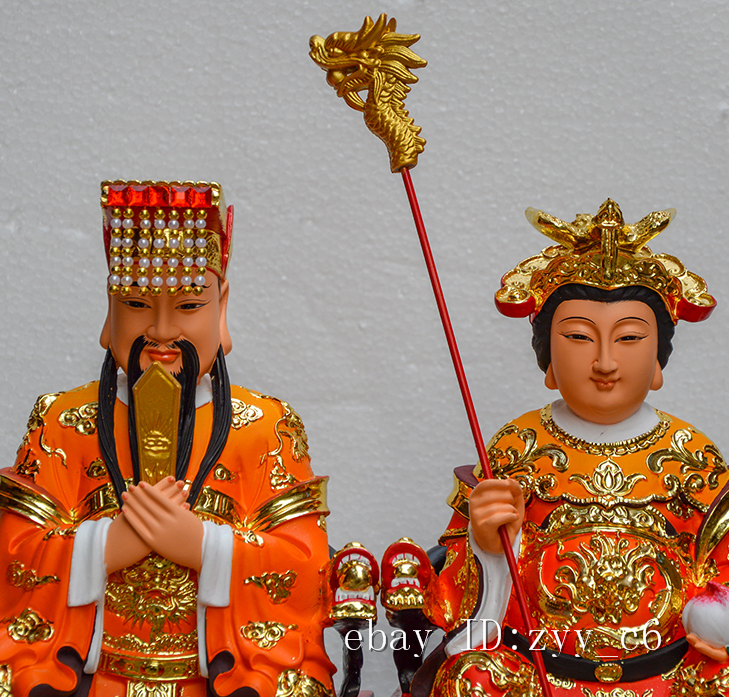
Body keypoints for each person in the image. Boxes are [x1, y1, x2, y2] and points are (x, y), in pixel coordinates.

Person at [0, 181, 349, 697]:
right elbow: (13, 560)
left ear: (221, 307)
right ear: (110, 309)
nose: (162, 331)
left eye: (188, 306)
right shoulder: (63, 422)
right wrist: (104, 547)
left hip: (214, 680)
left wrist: (206, 547)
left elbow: (307, 571)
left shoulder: (264, 427)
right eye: (136, 303)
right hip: (95, 679)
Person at [381, 199, 729, 696]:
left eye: (629, 338)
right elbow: (455, 592)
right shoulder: (518, 447)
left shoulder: (692, 454)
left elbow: (722, 566)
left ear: (658, 363)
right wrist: (488, 546)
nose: (605, 362)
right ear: (548, 361)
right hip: (541, 674)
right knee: (470, 680)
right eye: (579, 337)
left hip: (666, 674)